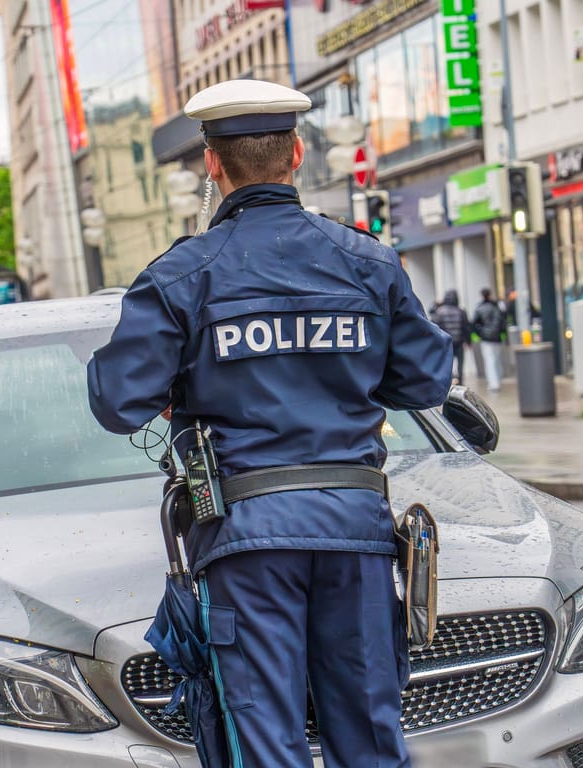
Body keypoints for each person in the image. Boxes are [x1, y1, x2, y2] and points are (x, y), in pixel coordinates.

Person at [87, 79, 451, 768]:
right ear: (298, 154)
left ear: (212, 166)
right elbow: (425, 380)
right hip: (356, 531)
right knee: (371, 737)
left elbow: (115, 403)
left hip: (247, 542)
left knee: (266, 742)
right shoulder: (367, 260)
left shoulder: (182, 274)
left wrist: (181, 378)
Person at [430, 289, 471, 385]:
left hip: (447, 343)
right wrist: (468, 341)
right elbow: (466, 327)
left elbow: (435, 327)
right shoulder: (461, 311)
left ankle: (450, 381)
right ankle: (460, 382)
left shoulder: (439, 312)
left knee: (448, 364)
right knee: (460, 364)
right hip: (459, 342)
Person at [473, 288, 505, 391]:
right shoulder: (497, 306)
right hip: (497, 338)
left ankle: (494, 383)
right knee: (496, 360)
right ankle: (497, 380)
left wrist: (480, 333)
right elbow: (502, 323)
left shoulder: (479, 308)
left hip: (486, 339)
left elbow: (474, 324)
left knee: (490, 360)